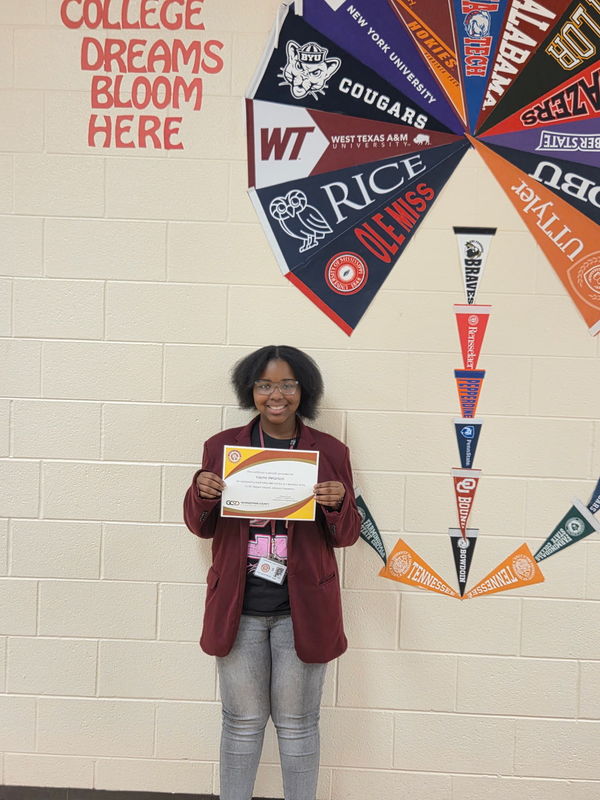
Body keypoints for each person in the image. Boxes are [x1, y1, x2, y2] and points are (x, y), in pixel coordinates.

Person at [183, 345, 361, 800]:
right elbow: (200, 527)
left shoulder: (329, 450)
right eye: (265, 384)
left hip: (301, 609)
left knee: (298, 724)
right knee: (241, 722)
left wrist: (338, 504)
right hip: (238, 607)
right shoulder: (223, 447)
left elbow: (346, 537)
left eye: (287, 384)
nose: (275, 394)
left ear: (304, 390)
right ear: (251, 390)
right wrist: (202, 493)